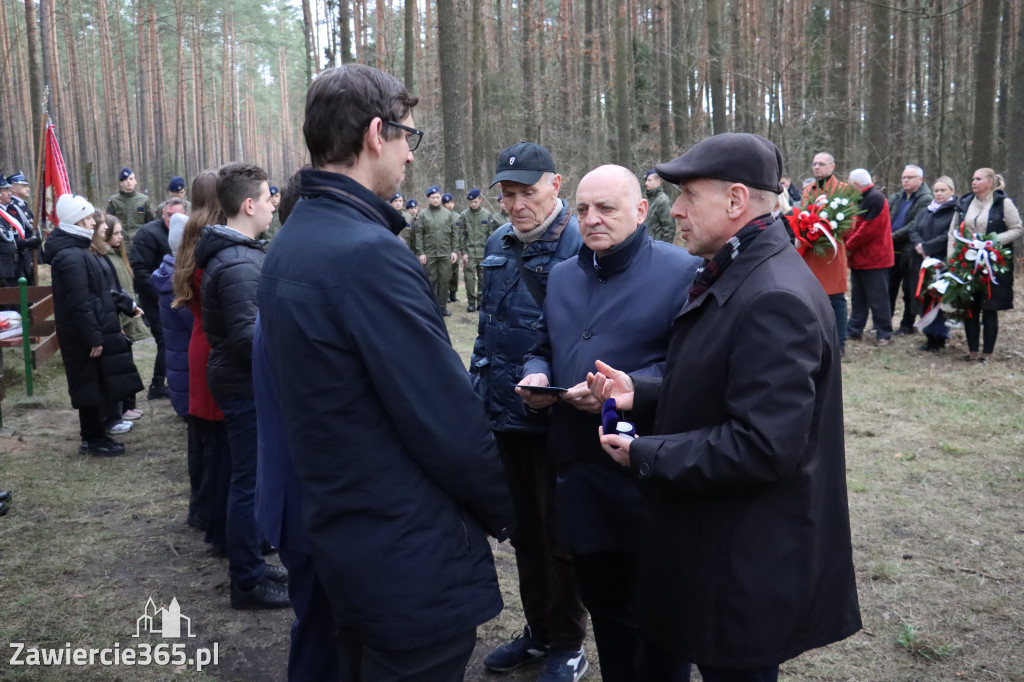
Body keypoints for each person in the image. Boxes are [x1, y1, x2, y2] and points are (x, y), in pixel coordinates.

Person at [258, 63, 512, 679]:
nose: (411, 157)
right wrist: (510, 508)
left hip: (346, 531)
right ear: (378, 133)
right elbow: (442, 415)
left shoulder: (294, 240)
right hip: (403, 550)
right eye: (409, 138)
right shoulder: (368, 254)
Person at [590, 132, 862, 682]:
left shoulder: (773, 296)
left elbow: (763, 446)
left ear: (737, 201)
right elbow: (722, 382)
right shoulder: (740, 271)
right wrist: (640, 393)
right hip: (717, 547)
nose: (677, 211)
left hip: (744, 566)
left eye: (689, 195)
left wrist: (645, 453)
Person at [519, 165, 701, 681]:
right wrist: (536, 379)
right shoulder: (562, 275)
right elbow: (542, 346)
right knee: (607, 615)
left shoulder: (680, 271)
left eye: (607, 208)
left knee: (660, 630)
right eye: (582, 210)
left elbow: (690, 369)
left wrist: (628, 390)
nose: (592, 220)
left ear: (642, 211)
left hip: (644, 480)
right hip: (578, 479)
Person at [472, 141, 589, 682]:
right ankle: (539, 631)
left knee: (561, 535)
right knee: (523, 533)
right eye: (508, 194)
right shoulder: (497, 242)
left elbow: (595, 337)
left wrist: (563, 391)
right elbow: (487, 332)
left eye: (528, 192)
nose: (517, 205)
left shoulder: (583, 243)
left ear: (556, 185)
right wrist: (480, 396)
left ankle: (569, 639)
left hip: (561, 419)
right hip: (506, 418)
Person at [195, 161, 289, 610]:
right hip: (243, 385)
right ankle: (247, 580)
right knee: (248, 481)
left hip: (237, 382)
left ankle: (250, 558)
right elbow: (248, 338)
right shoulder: (237, 263)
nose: (274, 204)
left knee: (245, 476)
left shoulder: (242, 254)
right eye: (269, 197)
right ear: (249, 204)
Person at [44, 194, 144, 456]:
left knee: (97, 384)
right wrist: (93, 338)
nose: (93, 223)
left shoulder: (80, 251)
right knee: (88, 385)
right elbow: (80, 303)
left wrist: (123, 307)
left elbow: (99, 292)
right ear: (75, 220)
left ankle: (98, 434)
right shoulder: (70, 256)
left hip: (94, 329)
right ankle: (91, 439)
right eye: (87, 217)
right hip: (83, 336)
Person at [172, 170, 230, 543]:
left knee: (202, 436)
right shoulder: (214, 242)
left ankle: (201, 507)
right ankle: (213, 514)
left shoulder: (190, 236)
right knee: (220, 441)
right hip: (213, 345)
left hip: (199, 342)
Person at [950, 168, 1023, 362]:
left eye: (979, 179)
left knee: (989, 307)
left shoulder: (1003, 203)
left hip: (994, 263)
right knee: (969, 306)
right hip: (968, 261)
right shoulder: (964, 203)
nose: (974, 182)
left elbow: (1017, 228)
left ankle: (987, 353)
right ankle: (973, 350)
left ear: (990, 182)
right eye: (973, 178)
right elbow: (954, 231)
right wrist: (952, 258)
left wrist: (992, 241)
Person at [130, 198, 186, 400]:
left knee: (174, 341)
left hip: (178, 295)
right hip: (155, 296)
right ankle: (157, 384)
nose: (172, 219)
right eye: (168, 215)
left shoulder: (184, 232)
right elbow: (139, 270)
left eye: (177, 216)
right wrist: (161, 293)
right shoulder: (148, 233)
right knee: (164, 340)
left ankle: (167, 382)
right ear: (162, 213)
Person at [97, 213, 147, 422]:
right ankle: (123, 408)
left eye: (120, 233)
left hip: (126, 315)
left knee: (127, 361)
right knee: (121, 364)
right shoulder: (105, 259)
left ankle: (129, 404)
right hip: (117, 319)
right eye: (115, 233)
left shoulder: (117, 256)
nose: (120, 237)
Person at [798, 158, 850, 356]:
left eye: (821, 164)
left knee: (836, 299)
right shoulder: (808, 191)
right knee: (811, 298)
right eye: (814, 164)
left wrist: (826, 232)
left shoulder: (843, 190)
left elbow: (849, 224)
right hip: (811, 252)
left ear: (832, 166)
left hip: (831, 253)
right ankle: (815, 338)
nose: (817, 167)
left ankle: (839, 342)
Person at [909, 176, 958, 353]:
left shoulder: (955, 212)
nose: (938, 194)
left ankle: (939, 338)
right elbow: (913, 229)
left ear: (951, 191)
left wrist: (928, 246)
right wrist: (919, 246)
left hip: (942, 262)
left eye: (942, 190)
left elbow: (949, 235)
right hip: (922, 261)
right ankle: (929, 336)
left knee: (939, 300)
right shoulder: (926, 211)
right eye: (936, 190)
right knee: (924, 297)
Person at [846, 168, 895, 346]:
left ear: (857, 185)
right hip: (860, 258)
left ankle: (884, 332)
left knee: (878, 298)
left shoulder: (875, 198)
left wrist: (848, 246)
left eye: (850, 184)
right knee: (858, 297)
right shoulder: (861, 198)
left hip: (874, 258)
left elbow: (869, 229)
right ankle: (854, 329)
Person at [888, 165, 932, 335]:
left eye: (910, 177)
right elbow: (887, 217)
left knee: (909, 290)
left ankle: (907, 324)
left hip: (910, 251)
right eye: (904, 177)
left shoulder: (925, 198)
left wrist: (892, 236)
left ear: (920, 179)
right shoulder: (897, 197)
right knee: (889, 289)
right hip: (892, 251)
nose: (905, 180)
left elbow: (915, 224)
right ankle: (885, 322)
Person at [414, 185, 458, 315]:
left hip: (445, 253)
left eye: (438, 197)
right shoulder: (423, 215)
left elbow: (454, 234)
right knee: (430, 281)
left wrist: (454, 250)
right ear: (428, 198)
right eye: (433, 197)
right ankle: (431, 307)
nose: (436, 200)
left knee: (444, 280)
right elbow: (418, 235)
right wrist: (421, 253)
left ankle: (442, 306)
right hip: (430, 253)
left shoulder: (447, 214)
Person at [2, 173, 41, 285]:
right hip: (14, 258)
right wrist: (26, 242)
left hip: (25, 255)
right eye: (24, 186)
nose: (28, 189)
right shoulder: (12, 207)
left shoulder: (18, 205)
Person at [459, 188, 492, 312]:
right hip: (470, 253)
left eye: (475, 201)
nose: (473, 204)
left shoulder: (487, 215)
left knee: (483, 279)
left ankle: (481, 301)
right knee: (469, 279)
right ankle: (471, 302)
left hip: (483, 252)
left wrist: (489, 252)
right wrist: (463, 252)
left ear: (480, 200)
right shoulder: (464, 215)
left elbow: (491, 235)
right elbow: (461, 235)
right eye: (471, 202)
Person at [106, 167, 155, 247]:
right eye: (125, 179)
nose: (128, 181)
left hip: (141, 242)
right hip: (121, 243)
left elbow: (151, 223)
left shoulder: (144, 200)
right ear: (121, 183)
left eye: (131, 179)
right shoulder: (114, 201)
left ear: (135, 181)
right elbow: (109, 223)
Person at [643, 169, 676, 243]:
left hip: (657, 247)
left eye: (649, 180)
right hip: (647, 245)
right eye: (646, 181)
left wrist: (664, 249)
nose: (646, 183)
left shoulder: (663, 201)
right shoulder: (650, 200)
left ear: (658, 182)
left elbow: (669, 229)